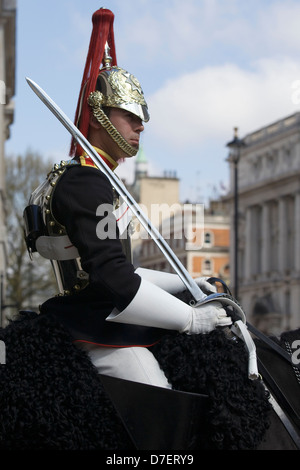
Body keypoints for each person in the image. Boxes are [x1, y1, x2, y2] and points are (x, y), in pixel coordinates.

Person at [24, 8, 231, 389]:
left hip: (104, 309)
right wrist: (190, 319)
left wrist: (188, 282)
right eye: (130, 115)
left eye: (142, 118)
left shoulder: (93, 178)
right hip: (93, 321)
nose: (140, 126)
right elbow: (108, 275)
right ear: (100, 115)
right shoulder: (86, 182)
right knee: (157, 395)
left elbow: (124, 269)